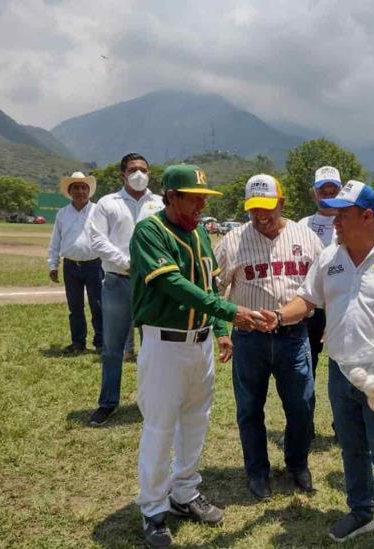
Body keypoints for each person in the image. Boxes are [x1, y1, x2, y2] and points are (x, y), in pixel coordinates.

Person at [259, 181, 374, 549]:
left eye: (342, 213)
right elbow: (307, 300)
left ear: (367, 215)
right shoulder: (329, 258)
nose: (334, 220)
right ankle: (360, 512)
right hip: (341, 372)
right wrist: (277, 317)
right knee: (352, 448)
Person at [129, 164, 261, 547]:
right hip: (164, 343)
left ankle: (185, 492)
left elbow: (210, 283)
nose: (201, 204)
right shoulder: (150, 231)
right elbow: (173, 284)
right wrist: (230, 313)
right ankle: (153, 508)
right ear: (170, 196)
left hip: (199, 342)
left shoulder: (201, 232)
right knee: (159, 427)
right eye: (193, 197)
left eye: (204, 197)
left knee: (195, 422)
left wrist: (220, 332)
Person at [214, 174, 323, 500]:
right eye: (254, 209)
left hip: (293, 335)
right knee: (249, 408)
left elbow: (320, 288)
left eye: (268, 207)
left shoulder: (306, 237)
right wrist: (223, 330)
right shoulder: (232, 242)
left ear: (282, 202)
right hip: (249, 339)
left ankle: (297, 464)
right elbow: (212, 290)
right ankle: (257, 472)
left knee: (301, 405)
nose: (261, 215)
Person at [88, 152, 164, 426]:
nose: (139, 174)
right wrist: (128, 263)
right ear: (122, 174)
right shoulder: (108, 204)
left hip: (152, 284)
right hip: (118, 281)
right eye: (133, 169)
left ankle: (152, 401)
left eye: (143, 169)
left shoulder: (159, 204)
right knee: (113, 347)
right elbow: (97, 240)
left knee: (153, 345)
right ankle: (108, 402)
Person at [47, 171, 103, 354]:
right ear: (70, 191)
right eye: (76, 188)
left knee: (98, 305)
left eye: (83, 187)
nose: (80, 191)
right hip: (70, 266)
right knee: (75, 307)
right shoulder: (62, 214)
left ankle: (101, 343)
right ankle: (78, 343)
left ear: (89, 191)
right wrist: (53, 265)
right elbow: (56, 240)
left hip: (95, 265)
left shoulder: (99, 211)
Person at [298, 166, 342, 380]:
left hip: (342, 304)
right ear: (313, 193)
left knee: (344, 363)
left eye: (333, 190)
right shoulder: (301, 225)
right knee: (307, 363)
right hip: (311, 307)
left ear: (341, 191)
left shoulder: (350, 222)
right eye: (322, 190)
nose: (328, 195)